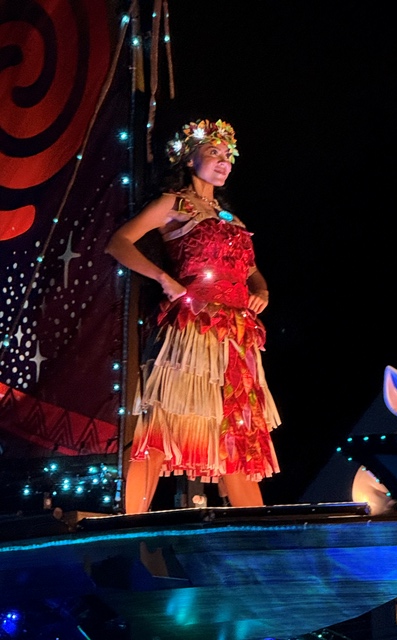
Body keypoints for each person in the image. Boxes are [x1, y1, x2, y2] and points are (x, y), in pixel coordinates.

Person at [105, 118, 281, 513]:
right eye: (213, 152)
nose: (223, 161)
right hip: (193, 327)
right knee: (164, 422)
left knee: (236, 430)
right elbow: (119, 243)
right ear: (189, 159)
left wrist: (261, 289)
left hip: (237, 334)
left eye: (227, 155)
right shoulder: (174, 204)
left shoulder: (230, 219)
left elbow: (251, 269)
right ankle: (131, 521)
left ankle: (256, 528)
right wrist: (163, 278)